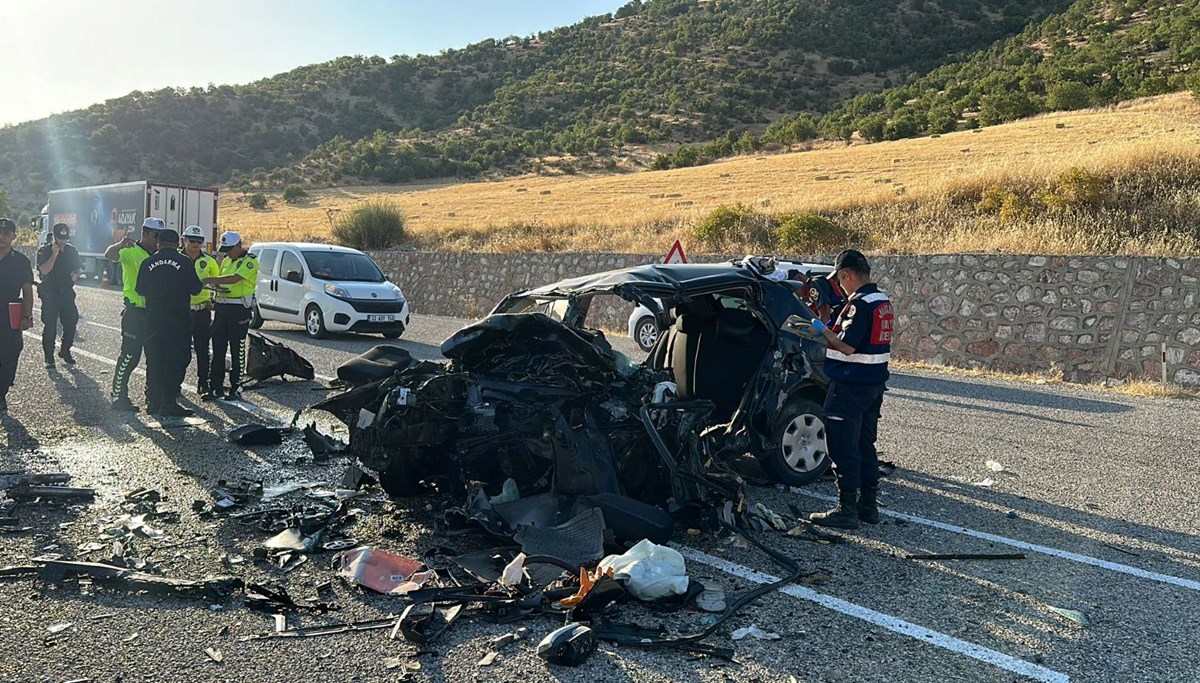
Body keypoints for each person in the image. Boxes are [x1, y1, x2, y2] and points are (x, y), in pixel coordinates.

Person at [807, 249, 894, 530]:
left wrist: (821, 330)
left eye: (840, 281)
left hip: (851, 384)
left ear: (847, 275)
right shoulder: (882, 300)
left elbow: (847, 346)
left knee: (843, 446)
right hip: (873, 383)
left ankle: (846, 510)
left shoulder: (860, 304)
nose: (840, 287)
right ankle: (867, 506)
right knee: (864, 445)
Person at [137, 229, 202, 417]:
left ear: (159, 243)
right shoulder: (184, 262)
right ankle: (169, 402)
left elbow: (140, 289)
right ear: (178, 244)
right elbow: (196, 289)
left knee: (155, 360)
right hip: (177, 320)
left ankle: (153, 402)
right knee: (177, 360)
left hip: (153, 318)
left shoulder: (148, 262)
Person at [104, 217, 162, 412]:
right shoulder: (130, 251)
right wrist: (119, 244)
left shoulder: (162, 255)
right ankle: (118, 395)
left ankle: (153, 397)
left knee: (155, 357)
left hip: (155, 312)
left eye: (160, 236)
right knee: (130, 356)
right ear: (145, 233)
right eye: (155, 235)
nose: (158, 239)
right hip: (135, 311)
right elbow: (110, 255)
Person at [204, 231, 257, 400]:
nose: (227, 252)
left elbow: (234, 279)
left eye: (230, 249)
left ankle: (236, 386)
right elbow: (221, 280)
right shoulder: (226, 260)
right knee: (218, 348)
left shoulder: (250, 261)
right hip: (222, 307)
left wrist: (209, 280)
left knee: (237, 349)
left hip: (239, 309)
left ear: (239, 246)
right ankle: (215, 387)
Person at [0, 218, 35, 413]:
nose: (2, 236)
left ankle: (1, 394)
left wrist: (28, 315)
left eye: (6, 234)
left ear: (14, 236)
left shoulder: (21, 261)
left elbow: (27, 290)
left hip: (8, 315)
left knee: (10, 354)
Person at [36, 222, 82, 369]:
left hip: (66, 292)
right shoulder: (44, 251)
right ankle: (49, 357)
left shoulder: (71, 250)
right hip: (50, 293)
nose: (63, 242)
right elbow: (44, 270)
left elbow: (78, 268)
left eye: (65, 238)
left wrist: (76, 275)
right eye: (60, 238)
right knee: (50, 326)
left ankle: (65, 350)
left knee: (71, 321)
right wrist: (55, 253)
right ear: (54, 237)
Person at [181, 226, 219, 399]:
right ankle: (175, 385)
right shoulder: (177, 259)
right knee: (180, 351)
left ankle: (203, 383)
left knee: (203, 350)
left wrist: (212, 300)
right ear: (184, 240)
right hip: (181, 312)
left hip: (202, 311)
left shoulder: (210, 261)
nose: (195, 244)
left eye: (199, 241)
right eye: (191, 240)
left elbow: (216, 285)